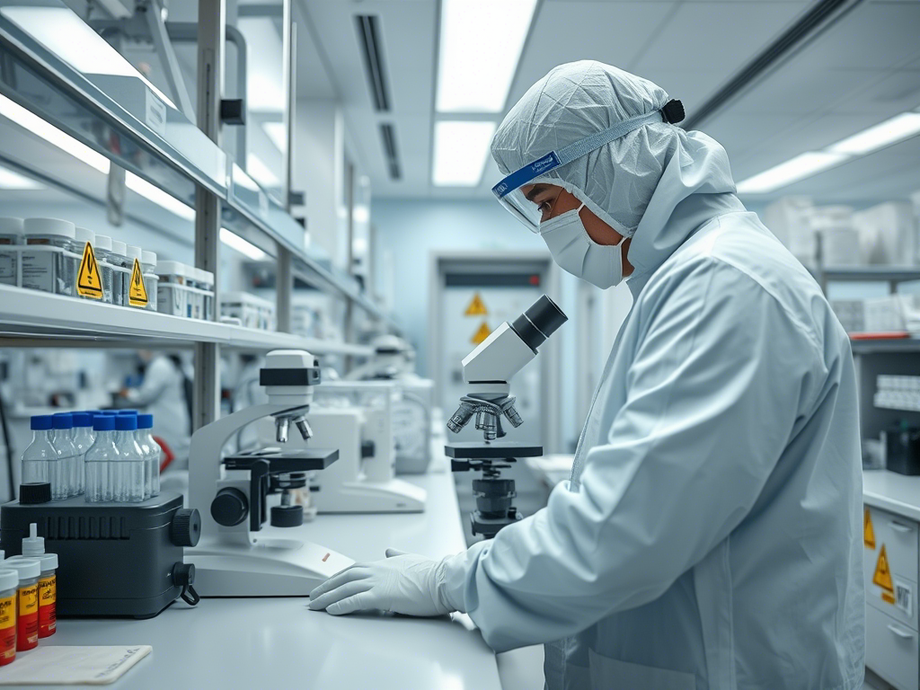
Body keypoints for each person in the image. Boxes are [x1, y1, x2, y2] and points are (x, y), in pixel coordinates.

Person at [308, 61, 865, 689]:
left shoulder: (724, 286)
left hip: (727, 668)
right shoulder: (682, 279)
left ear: (612, 167)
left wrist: (449, 581)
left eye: (548, 202)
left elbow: (627, 531)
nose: (549, 229)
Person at [121, 350, 191, 466]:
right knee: (169, 456)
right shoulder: (165, 363)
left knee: (168, 457)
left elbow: (146, 395)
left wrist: (128, 393)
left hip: (167, 419)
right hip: (171, 417)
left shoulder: (160, 365)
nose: (140, 353)